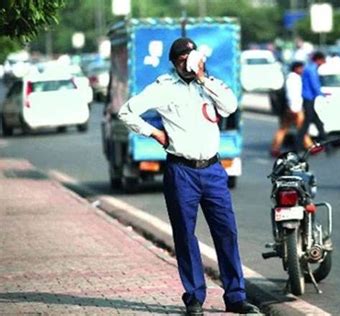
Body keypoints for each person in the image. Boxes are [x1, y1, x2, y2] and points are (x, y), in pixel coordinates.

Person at [118, 37, 259, 316]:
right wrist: (155, 133)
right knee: (185, 235)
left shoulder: (210, 84)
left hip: (213, 170)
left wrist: (203, 78)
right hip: (181, 171)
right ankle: (194, 297)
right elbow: (126, 112)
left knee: (227, 232)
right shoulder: (163, 87)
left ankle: (236, 297)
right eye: (183, 59)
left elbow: (230, 106)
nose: (189, 63)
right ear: (174, 62)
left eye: (192, 57)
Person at [270, 61, 312, 156]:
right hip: (295, 108)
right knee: (301, 128)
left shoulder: (292, 78)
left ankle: (275, 148)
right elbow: (292, 95)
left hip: (292, 108)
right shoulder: (293, 79)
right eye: (301, 68)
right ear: (296, 68)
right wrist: (294, 108)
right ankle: (310, 146)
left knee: (284, 128)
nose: (302, 70)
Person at [297, 51, 327, 151]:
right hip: (308, 97)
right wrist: (321, 95)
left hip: (309, 97)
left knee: (317, 122)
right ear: (318, 60)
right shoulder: (312, 70)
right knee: (307, 122)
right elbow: (314, 84)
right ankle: (298, 144)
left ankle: (327, 144)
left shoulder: (310, 68)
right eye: (323, 60)